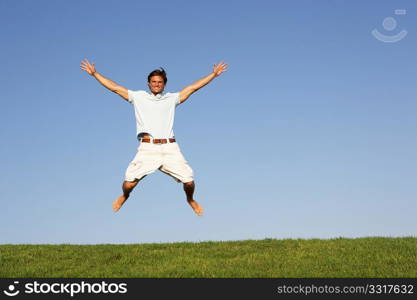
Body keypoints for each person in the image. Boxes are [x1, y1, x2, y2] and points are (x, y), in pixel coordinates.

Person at [80, 59, 228, 216]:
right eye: (153, 82)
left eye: (160, 82)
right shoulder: (138, 97)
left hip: (170, 147)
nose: (156, 84)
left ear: (164, 84)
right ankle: (125, 196)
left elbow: (193, 88)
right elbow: (115, 88)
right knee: (129, 184)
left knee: (189, 181)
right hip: (148, 147)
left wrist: (213, 75)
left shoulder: (171, 99)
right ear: (148, 83)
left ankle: (190, 200)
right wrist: (95, 74)